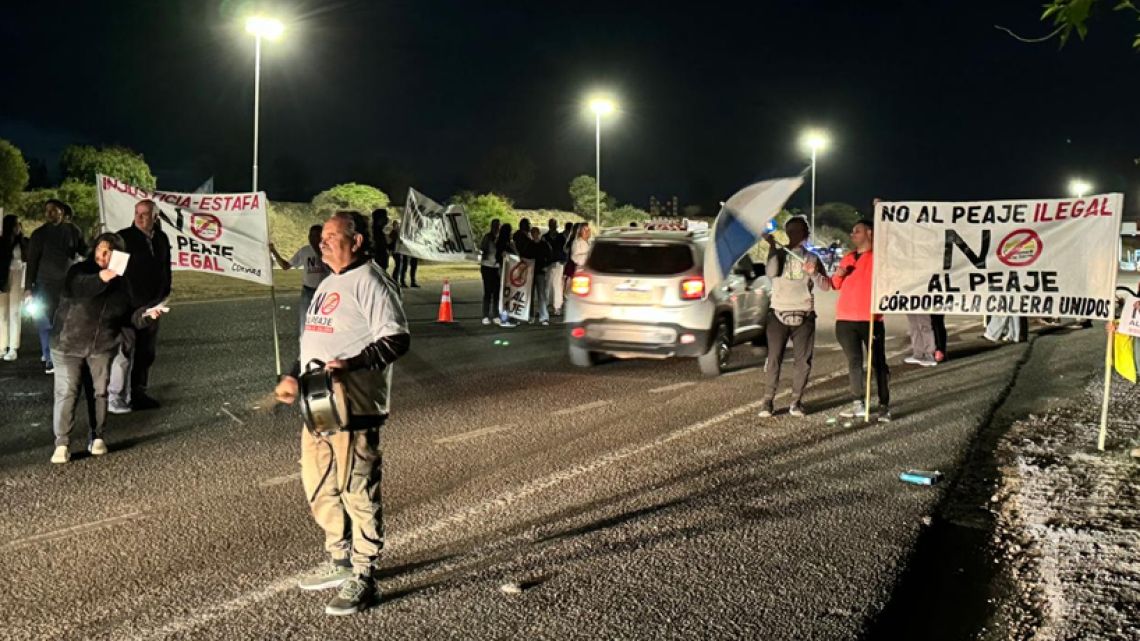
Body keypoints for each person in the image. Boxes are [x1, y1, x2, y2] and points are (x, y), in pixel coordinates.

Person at [274, 210, 409, 616]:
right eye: (324, 237)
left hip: (354, 406)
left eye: (333, 236)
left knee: (358, 490)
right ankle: (339, 560)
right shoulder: (328, 283)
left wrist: (351, 363)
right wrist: (293, 375)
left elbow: (396, 340)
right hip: (317, 404)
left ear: (357, 241)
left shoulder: (371, 281)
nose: (324, 242)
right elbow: (314, 340)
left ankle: (364, 574)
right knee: (319, 485)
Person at [49, 233, 163, 464]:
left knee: (99, 392)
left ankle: (97, 436)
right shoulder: (79, 271)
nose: (102, 256)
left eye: (108, 252)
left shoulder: (123, 283)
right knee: (67, 392)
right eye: (100, 250)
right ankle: (62, 442)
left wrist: (147, 315)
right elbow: (81, 287)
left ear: (119, 256)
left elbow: (130, 316)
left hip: (102, 346)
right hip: (68, 345)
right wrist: (103, 276)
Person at [757, 216, 830, 418]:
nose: (794, 234)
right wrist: (772, 247)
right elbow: (771, 273)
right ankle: (767, 401)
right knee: (773, 360)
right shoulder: (780, 254)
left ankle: (796, 401)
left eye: (798, 230)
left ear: (805, 233)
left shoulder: (813, 258)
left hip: (804, 315)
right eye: (790, 230)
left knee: (803, 362)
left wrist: (814, 273)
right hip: (778, 313)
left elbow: (825, 285)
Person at [108, 199, 172, 413]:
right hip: (128, 306)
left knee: (146, 351)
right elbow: (114, 273)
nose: (140, 217)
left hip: (153, 305)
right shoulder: (124, 238)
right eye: (137, 213)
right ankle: (115, 395)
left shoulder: (161, 239)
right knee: (124, 351)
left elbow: (165, 268)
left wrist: (165, 292)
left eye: (145, 214)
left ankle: (138, 393)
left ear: (155, 217)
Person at [831, 219, 891, 422]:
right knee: (854, 361)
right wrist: (838, 274)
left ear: (870, 233)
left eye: (857, 231)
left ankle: (884, 405)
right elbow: (835, 285)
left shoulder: (880, 257)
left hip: (871, 318)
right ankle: (858, 402)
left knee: (878, 363)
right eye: (852, 231)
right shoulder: (848, 258)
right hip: (846, 320)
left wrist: (881, 212)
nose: (852, 234)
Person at [25, 199, 87, 374]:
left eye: (53, 210)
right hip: (44, 285)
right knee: (46, 324)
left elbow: (84, 250)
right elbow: (32, 262)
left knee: (65, 322)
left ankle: (65, 356)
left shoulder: (73, 231)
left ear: (62, 211)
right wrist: (28, 288)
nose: (49, 213)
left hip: (67, 285)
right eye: (47, 210)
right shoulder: (39, 234)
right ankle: (50, 359)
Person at [269, 225, 330, 335]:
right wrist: (273, 251)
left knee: (326, 324)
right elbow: (285, 266)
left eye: (316, 235)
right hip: (308, 292)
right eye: (311, 235)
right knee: (305, 324)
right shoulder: (304, 251)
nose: (313, 238)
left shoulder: (330, 250)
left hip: (325, 292)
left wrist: (320, 252)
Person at [1, 214, 28, 361]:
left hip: (18, 275)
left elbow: (26, 259)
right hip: (2, 278)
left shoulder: (22, 241)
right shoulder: (2, 241)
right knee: (2, 313)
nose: (19, 227)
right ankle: (1, 346)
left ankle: (13, 348)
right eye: (16, 224)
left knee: (14, 312)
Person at [525, 226, 552, 325]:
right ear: (531, 234)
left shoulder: (544, 245)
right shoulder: (529, 245)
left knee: (542, 295)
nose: (534, 235)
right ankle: (530, 316)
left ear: (539, 233)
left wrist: (546, 267)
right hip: (531, 273)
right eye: (532, 233)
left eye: (536, 233)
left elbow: (550, 257)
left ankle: (544, 317)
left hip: (540, 272)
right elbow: (524, 257)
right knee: (530, 296)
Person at [479, 218, 502, 325]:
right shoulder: (487, 237)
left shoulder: (502, 238)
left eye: (498, 226)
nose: (497, 228)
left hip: (497, 268)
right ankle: (485, 315)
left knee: (497, 292)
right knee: (488, 292)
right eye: (495, 226)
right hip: (487, 266)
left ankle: (496, 314)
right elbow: (482, 248)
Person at [494, 224, 518, 327]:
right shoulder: (503, 244)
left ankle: (507, 317)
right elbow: (511, 256)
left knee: (507, 295)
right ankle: (504, 319)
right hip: (505, 271)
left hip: (507, 271)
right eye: (510, 231)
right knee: (505, 295)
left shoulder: (507, 243)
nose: (512, 233)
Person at [543, 219, 568, 316]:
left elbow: (564, 250)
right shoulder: (545, 237)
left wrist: (563, 260)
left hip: (558, 263)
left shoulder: (561, 237)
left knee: (557, 285)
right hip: (548, 264)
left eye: (554, 224)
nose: (553, 226)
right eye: (551, 224)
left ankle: (557, 307)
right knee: (548, 286)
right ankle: (548, 305)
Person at [370, 209, 390, 273]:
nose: (387, 219)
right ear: (379, 219)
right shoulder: (375, 233)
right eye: (385, 217)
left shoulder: (379, 231)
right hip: (378, 263)